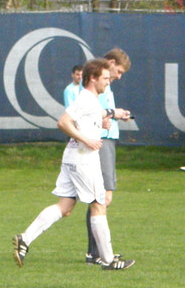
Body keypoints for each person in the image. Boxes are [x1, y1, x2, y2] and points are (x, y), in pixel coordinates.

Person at [12, 58, 134, 271]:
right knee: (99, 205)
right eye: (105, 78)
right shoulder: (86, 98)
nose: (108, 82)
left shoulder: (91, 100)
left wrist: (112, 116)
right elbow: (63, 122)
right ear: (93, 78)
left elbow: (91, 116)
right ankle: (108, 260)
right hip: (83, 159)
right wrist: (86, 139)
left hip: (72, 157)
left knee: (65, 207)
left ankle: (25, 239)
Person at [85, 48, 132, 265]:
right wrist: (112, 115)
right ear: (111, 63)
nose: (119, 77)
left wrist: (116, 115)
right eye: (119, 71)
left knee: (99, 198)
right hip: (101, 140)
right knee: (102, 198)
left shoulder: (106, 84)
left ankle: (96, 252)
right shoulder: (95, 84)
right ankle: (96, 253)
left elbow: (103, 112)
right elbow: (92, 112)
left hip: (107, 139)